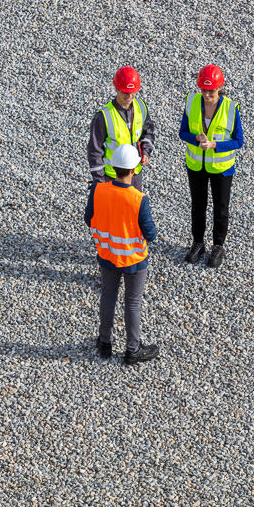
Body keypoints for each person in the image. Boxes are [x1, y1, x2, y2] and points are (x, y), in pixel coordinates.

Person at [85, 144, 159, 365]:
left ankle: (105, 343)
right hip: (134, 260)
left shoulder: (97, 190)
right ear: (135, 168)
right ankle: (132, 349)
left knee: (108, 297)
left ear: (114, 167)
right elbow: (151, 234)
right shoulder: (139, 199)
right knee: (132, 302)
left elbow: (89, 218)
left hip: (107, 255)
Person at [178, 64, 244, 268]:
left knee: (221, 208)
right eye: (203, 90)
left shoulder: (231, 109)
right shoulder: (192, 102)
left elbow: (238, 141)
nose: (207, 94)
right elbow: (182, 133)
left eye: (211, 90)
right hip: (196, 165)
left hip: (222, 169)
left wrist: (214, 145)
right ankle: (198, 243)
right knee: (198, 206)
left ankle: (218, 245)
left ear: (220, 88)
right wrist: (195, 139)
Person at [87, 66, 155, 190]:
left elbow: (148, 132)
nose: (129, 96)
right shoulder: (103, 117)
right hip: (112, 178)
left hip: (135, 173)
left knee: (135, 208)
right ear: (116, 89)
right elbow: (94, 151)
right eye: (125, 92)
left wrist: (146, 152)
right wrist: (99, 182)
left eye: (132, 92)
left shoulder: (141, 107)